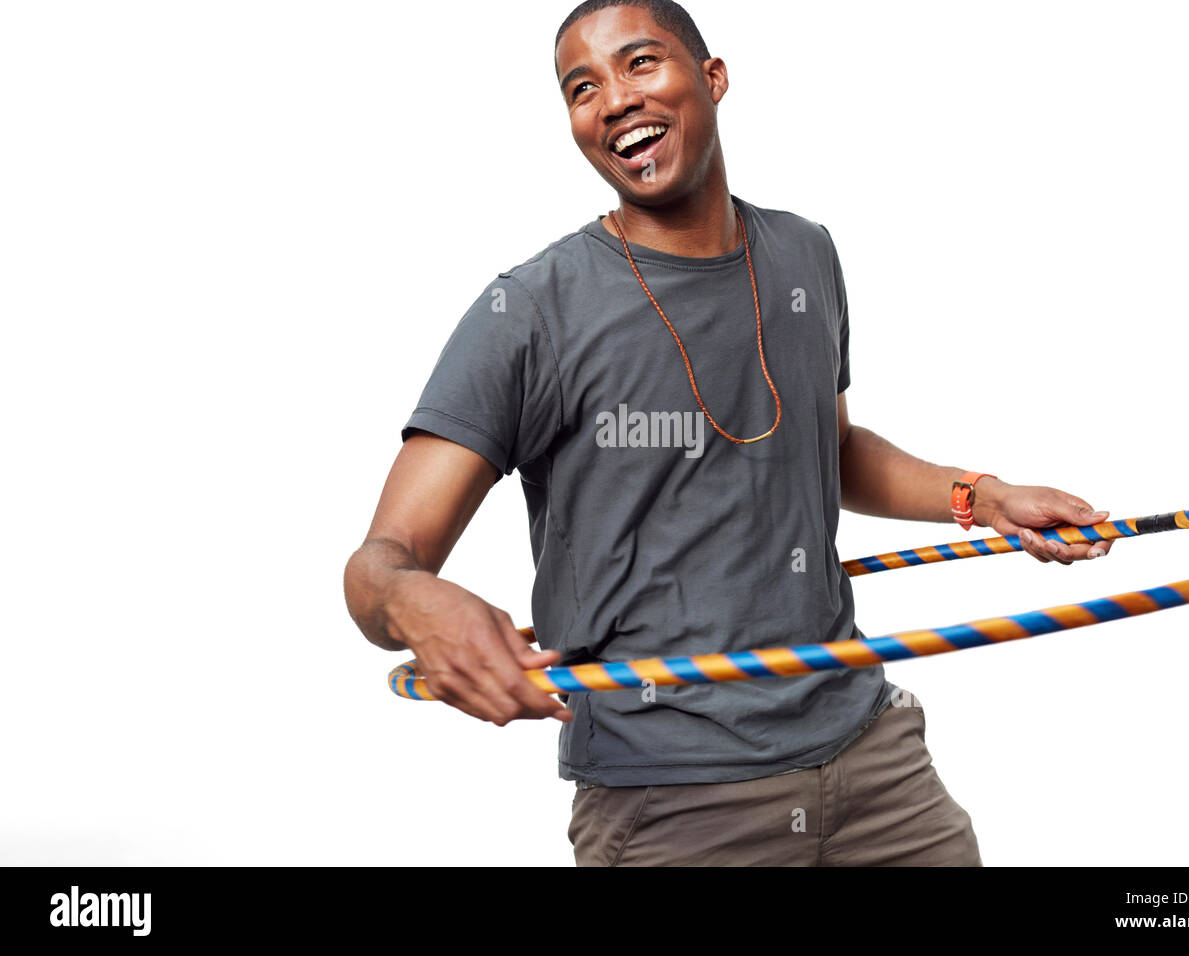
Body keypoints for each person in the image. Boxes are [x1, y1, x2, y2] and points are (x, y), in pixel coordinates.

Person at [343, 0, 1115, 866]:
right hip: (675, 800)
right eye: (582, 87)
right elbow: (379, 562)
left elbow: (824, 447)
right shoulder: (529, 310)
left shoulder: (803, 253)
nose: (614, 100)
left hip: (874, 755)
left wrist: (983, 496)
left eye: (640, 63)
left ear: (712, 78)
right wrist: (414, 603)